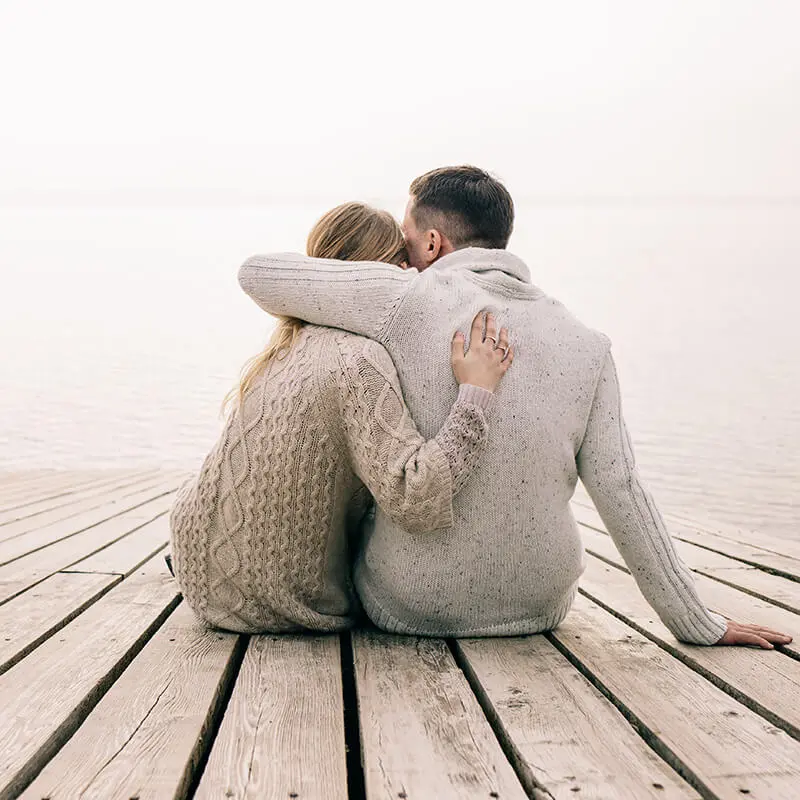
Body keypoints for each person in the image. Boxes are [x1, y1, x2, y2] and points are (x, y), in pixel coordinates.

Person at [237, 166, 792, 649]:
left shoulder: (404, 300)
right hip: (539, 609)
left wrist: (376, 277)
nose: (401, 261)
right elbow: (623, 493)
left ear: (431, 244)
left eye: (406, 246)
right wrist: (699, 622)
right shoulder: (587, 344)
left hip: (409, 608)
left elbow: (257, 274)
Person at [169, 202, 513, 633]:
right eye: (402, 265)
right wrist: (475, 394)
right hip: (271, 601)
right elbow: (416, 497)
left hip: (197, 564)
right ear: (377, 275)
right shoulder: (359, 360)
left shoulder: (286, 345)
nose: (413, 277)